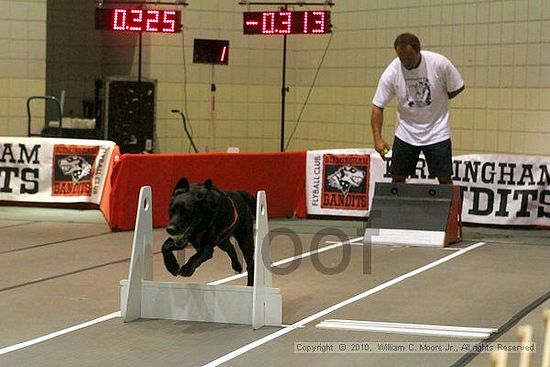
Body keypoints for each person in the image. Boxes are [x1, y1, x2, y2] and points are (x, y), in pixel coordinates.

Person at [371, 33, 464, 184]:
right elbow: (377, 106)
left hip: (437, 130)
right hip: (406, 131)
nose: (405, 63)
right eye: (401, 58)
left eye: (409, 58)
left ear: (418, 50)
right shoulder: (392, 72)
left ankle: (450, 208)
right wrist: (378, 138)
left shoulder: (439, 64)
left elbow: (458, 86)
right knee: (398, 176)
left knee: (444, 178)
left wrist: (440, 97)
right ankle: (399, 207)